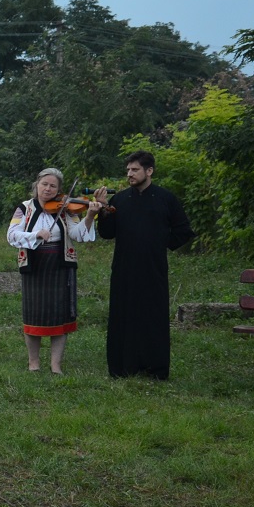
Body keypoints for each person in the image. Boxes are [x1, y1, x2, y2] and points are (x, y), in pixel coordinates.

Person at [95, 150, 193, 380]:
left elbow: (183, 231)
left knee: (152, 316)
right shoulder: (119, 199)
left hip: (153, 268)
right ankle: (122, 367)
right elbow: (107, 234)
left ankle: (155, 369)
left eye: (135, 169)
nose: (130, 173)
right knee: (123, 314)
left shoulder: (165, 198)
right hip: (124, 267)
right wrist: (103, 210)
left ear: (149, 171)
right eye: (128, 169)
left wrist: (160, 244)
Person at [7, 168, 101, 375]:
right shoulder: (24, 208)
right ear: (37, 185)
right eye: (44, 184)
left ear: (59, 189)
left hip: (60, 265)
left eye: (53, 186)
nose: (48, 189)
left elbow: (78, 235)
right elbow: (12, 235)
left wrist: (91, 215)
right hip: (34, 265)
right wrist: (35, 234)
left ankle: (55, 365)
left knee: (60, 315)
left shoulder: (67, 208)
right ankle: (34, 363)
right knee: (34, 314)